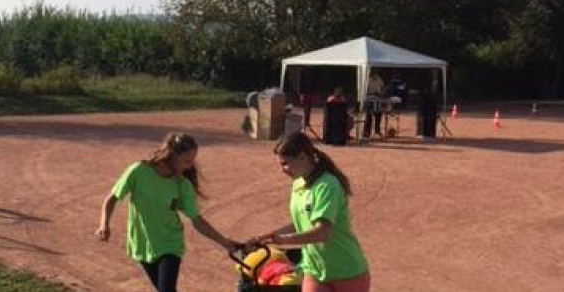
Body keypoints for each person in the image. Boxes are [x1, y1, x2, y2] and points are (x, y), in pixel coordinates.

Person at [96, 132, 238, 292]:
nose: (190, 166)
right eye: (187, 161)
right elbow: (112, 198)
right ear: (172, 155)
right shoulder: (138, 171)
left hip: (170, 244)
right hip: (142, 243)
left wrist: (225, 242)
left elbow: (197, 221)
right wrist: (104, 224)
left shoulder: (182, 184)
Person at [249, 132, 370, 292]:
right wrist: (269, 236)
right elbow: (301, 223)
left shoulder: (327, 185)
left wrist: (283, 240)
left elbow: (322, 233)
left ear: (302, 157)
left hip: (346, 272)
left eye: (285, 164)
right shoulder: (298, 183)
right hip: (314, 271)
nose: (282, 170)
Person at [363, 73, 384, 139]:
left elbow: (382, 88)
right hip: (369, 99)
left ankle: (377, 131)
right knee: (368, 116)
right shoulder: (367, 80)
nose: (375, 76)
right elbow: (364, 90)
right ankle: (366, 132)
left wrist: (381, 93)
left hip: (377, 98)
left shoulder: (379, 79)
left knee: (378, 115)